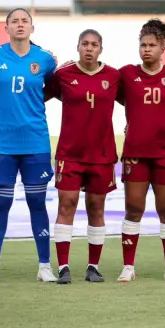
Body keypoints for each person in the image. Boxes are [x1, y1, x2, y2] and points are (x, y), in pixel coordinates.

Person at [0, 8, 58, 283]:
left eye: (25, 21)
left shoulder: (46, 60)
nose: (20, 25)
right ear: (7, 28)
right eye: (15, 21)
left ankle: (45, 266)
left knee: (38, 202)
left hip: (36, 142)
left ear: (32, 28)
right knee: (1, 203)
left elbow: (58, 89)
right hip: (2, 143)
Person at [45, 29, 121, 285]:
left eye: (94, 45)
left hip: (101, 154)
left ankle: (93, 267)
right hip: (71, 153)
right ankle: (64, 267)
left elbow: (133, 101)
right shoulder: (64, 75)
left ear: (101, 49)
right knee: (66, 205)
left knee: (96, 208)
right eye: (85, 44)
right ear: (78, 47)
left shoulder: (113, 76)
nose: (89, 48)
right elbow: (38, 95)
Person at [117, 19, 165, 283]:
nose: (146, 49)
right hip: (135, 151)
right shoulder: (125, 74)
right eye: (143, 44)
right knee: (133, 208)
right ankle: (128, 266)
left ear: (163, 47)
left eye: (152, 45)